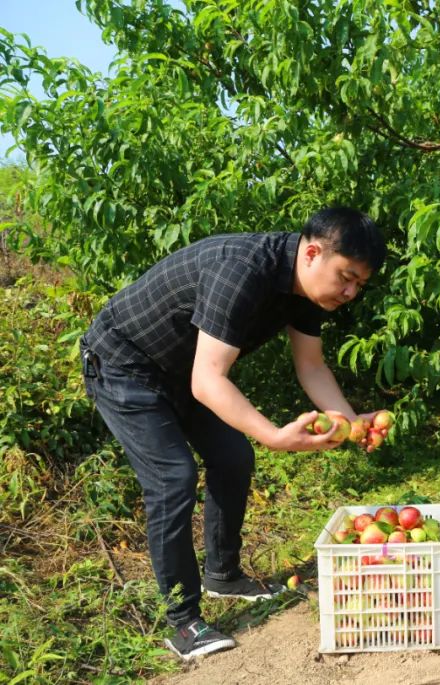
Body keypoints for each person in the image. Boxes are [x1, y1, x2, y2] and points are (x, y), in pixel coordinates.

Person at [79, 207, 388, 660]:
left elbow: (312, 366)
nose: (350, 292)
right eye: (346, 277)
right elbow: (209, 380)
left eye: (359, 284)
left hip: (182, 371)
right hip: (124, 364)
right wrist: (275, 435)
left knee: (233, 457)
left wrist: (351, 421)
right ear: (313, 252)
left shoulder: (308, 293)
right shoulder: (241, 268)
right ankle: (182, 622)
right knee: (172, 478)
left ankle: (223, 575)